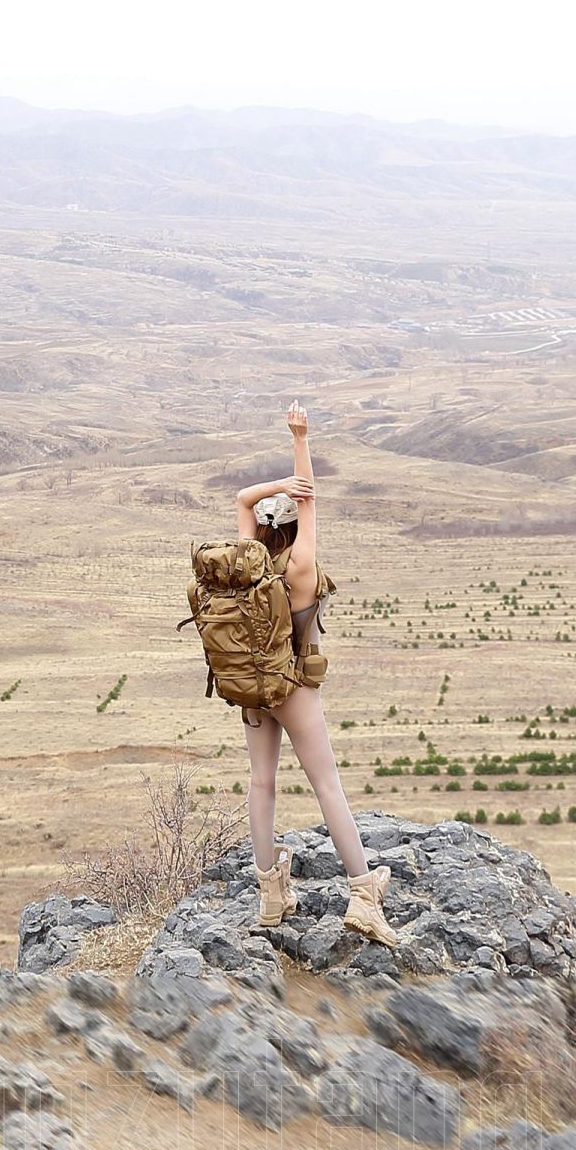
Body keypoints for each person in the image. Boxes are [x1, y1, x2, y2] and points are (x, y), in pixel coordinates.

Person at [232, 403, 403, 946]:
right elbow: (312, 500)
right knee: (327, 784)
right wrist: (300, 440)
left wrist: (272, 488)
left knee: (262, 783)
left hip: (252, 689)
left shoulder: (243, 564)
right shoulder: (300, 568)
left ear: (261, 527)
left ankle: (270, 894)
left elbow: (242, 499)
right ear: (294, 523)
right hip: (295, 688)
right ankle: (362, 894)